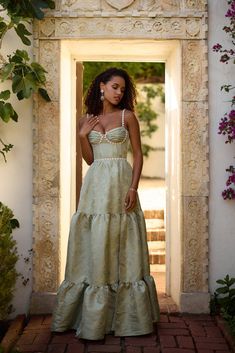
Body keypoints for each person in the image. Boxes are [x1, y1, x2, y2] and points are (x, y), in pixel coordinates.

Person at [51, 67, 160, 340]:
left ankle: (127, 316)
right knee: (97, 240)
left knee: (123, 240)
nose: (118, 92)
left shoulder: (128, 117)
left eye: (122, 88)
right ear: (101, 86)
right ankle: (93, 315)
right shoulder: (85, 120)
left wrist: (133, 187)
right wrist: (81, 136)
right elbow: (89, 160)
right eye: (114, 86)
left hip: (121, 182)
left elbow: (137, 154)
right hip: (95, 186)